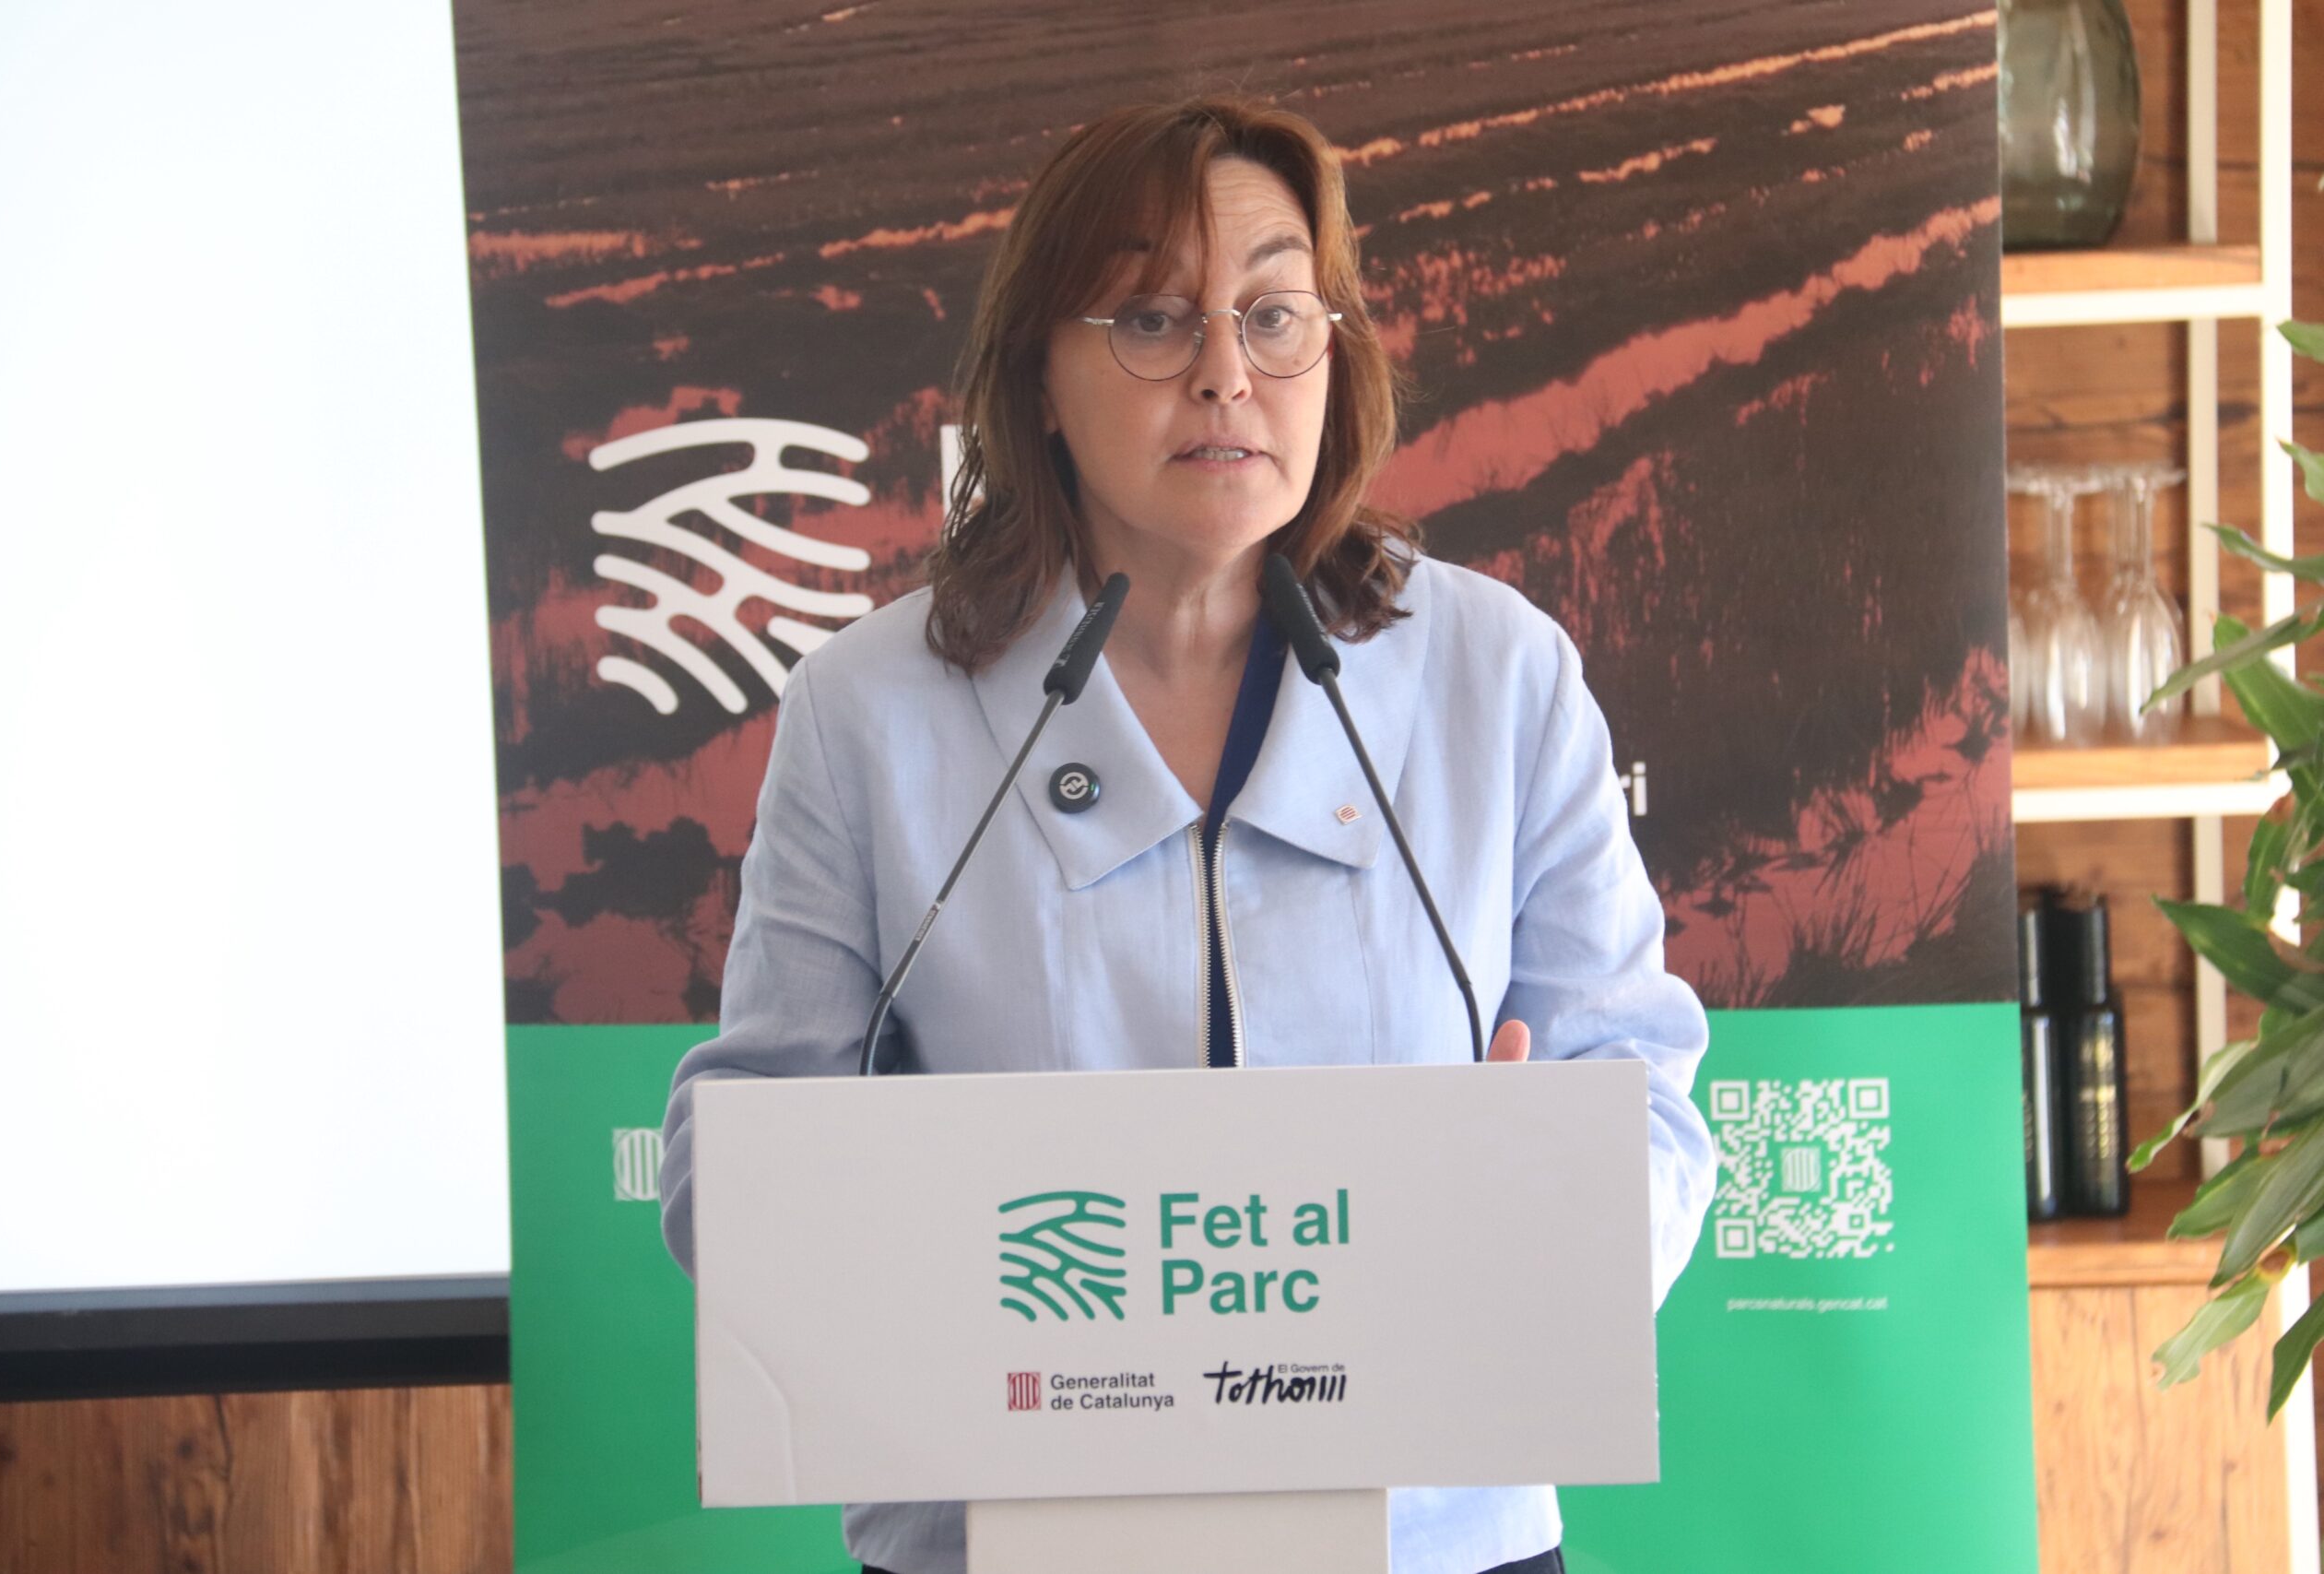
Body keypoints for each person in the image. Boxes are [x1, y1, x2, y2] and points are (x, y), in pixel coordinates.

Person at [658, 94, 1715, 1574]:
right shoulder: (870, 708)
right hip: (1001, 1537)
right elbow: (735, 1160)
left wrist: (1534, 1218)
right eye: (1154, 320)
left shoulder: (1499, 672)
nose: (1227, 373)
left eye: (1274, 315)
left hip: (1433, 1534)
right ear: (1038, 374)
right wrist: (918, 1231)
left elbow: (1643, 1095)